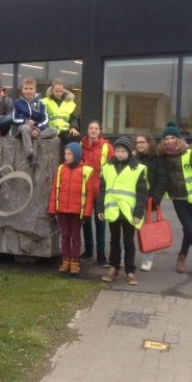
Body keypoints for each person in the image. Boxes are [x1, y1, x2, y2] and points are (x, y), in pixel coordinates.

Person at [159, 121, 192, 274]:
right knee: (188, 227)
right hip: (178, 197)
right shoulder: (162, 155)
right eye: (166, 138)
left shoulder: (189, 153)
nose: (169, 141)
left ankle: (182, 256)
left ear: (178, 139)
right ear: (163, 141)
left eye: (172, 138)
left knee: (187, 229)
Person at [98, 136, 148, 285]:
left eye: (123, 151)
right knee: (114, 240)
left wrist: (138, 213)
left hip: (129, 212)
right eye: (117, 151)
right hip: (113, 211)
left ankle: (130, 271)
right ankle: (114, 268)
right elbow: (102, 190)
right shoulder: (107, 167)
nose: (119, 154)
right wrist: (100, 208)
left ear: (129, 152)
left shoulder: (138, 168)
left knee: (129, 242)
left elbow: (142, 194)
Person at [48, 142, 94, 275]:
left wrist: (86, 213)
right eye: (65, 154)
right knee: (65, 236)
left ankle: (75, 261)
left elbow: (90, 194)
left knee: (75, 237)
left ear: (77, 155)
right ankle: (66, 260)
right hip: (63, 209)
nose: (66, 156)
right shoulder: (61, 169)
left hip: (77, 211)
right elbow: (55, 190)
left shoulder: (86, 171)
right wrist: (52, 208)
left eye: (69, 154)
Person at [80, 120, 114, 266]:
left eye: (96, 128)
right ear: (87, 130)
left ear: (100, 131)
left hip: (101, 190)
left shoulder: (107, 147)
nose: (93, 131)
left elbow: (113, 168)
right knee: (85, 222)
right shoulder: (81, 145)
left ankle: (101, 255)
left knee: (100, 223)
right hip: (85, 190)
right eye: (91, 128)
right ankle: (88, 251)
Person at [134, 133, 167, 272]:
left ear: (149, 143)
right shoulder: (135, 158)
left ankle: (148, 259)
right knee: (130, 231)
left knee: (149, 232)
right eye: (137, 142)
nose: (139, 144)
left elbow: (162, 181)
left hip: (150, 201)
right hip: (135, 200)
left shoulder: (158, 158)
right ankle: (125, 257)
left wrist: (156, 200)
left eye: (142, 142)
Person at [12, 77, 58, 167]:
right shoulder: (17, 103)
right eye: (26, 88)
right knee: (25, 128)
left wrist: (37, 129)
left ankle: (31, 137)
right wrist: (25, 121)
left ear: (35, 90)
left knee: (54, 131)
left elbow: (45, 119)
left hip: (36, 130)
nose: (28, 91)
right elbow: (14, 119)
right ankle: (30, 155)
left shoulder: (41, 103)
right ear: (22, 90)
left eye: (30, 89)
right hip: (22, 129)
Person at [42, 79, 80, 158]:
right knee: (67, 139)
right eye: (56, 91)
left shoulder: (69, 102)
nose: (59, 93)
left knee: (77, 136)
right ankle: (65, 160)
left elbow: (73, 117)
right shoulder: (45, 102)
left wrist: (73, 127)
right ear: (52, 90)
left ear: (63, 91)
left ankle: (77, 159)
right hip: (51, 130)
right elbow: (42, 117)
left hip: (64, 130)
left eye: (60, 91)